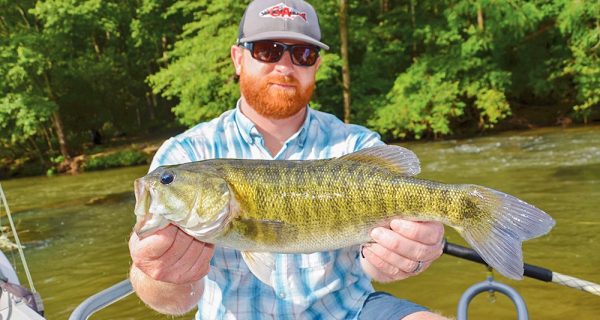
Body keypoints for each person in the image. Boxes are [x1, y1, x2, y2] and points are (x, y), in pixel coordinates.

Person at [129, 1, 447, 319]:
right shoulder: (186, 154)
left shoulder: (357, 144)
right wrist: (160, 275)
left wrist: (403, 257)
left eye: (302, 55)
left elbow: (373, 263)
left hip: (347, 310)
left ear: (317, 66)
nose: (284, 67)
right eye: (267, 50)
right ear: (238, 58)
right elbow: (173, 302)